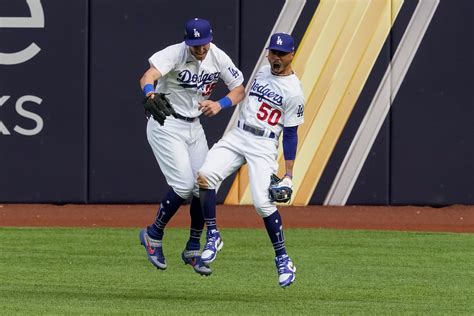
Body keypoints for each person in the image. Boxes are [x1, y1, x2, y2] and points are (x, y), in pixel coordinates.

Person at [196, 33, 304, 287]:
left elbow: (290, 134)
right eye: (273, 52)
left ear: (291, 55)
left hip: (264, 144)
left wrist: (288, 174)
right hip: (239, 134)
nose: (276, 58)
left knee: (262, 205)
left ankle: (283, 259)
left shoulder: (294, 92)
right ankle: (213, 235)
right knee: (205, 174)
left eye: (281, 54)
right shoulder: (264, 71)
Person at [138, 18, 245, 274]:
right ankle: (153, 234)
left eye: (203, 44)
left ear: (211, 39)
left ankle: (193, 247)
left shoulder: (218, 56)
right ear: (187, 41)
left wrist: (220, 104)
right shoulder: (175, 53)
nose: (200, 49)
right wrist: (150, 94)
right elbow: (148, 76)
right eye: (195, 44)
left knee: (204, 183)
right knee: (184, 185)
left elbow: (239, 89)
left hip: (194, 126)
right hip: (167, 123)